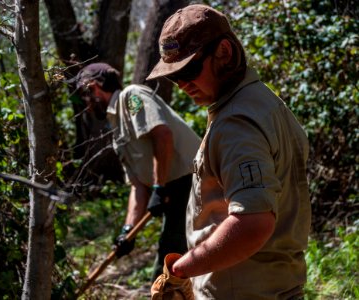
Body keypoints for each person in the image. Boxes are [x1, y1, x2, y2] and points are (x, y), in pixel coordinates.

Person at [147, 4, 311, 299]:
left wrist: (182, 270)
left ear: (224, 52)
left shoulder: (236, 123)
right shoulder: (264, 103)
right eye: (173, 76)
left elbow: (252, 223)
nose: (183, 84)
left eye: (189, 70)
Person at [71, 62, 201, 280]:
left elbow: (163, 135)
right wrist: (127, 232)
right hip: (173, 192)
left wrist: (159, 187)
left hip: (193, 181)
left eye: (86, 96)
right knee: (175, 257)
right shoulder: (116, 129)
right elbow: (138, 186)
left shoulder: (133, 96)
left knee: (171, 260)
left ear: (94, 87)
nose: (87, 104)